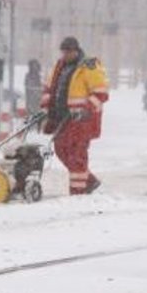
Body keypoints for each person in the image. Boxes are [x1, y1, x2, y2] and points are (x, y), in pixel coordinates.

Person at [41, 36, 110, 195]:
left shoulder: (89, 65)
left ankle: (78, 192)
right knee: (60, 149)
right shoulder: (60, 66)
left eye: (68, 51)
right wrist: (46, 108)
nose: (65, 55)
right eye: (63, 51)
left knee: (77, 154)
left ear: (76, 50)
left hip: (82, 120)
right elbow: (49, 88)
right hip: (62, 118)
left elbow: (101, 92)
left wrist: (86, 108)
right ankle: (89, 181)